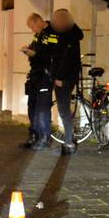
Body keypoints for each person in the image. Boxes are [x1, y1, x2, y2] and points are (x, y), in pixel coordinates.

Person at [48, 9, 84, 155]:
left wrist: (59, 77)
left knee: (63, 110)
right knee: (64, 109)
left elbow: (64, 60)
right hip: (70, 77)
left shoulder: (66, 37)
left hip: (64, 78)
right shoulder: (73, 33)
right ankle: (69, 141)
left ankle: (69, 144)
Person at [19, 13, 58, 149]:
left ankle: (44, 138)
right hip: (36, 74)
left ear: (39, 22)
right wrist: (28, 49)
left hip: (46, 75)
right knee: (32, 105)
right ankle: (34, 136)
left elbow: (52, 54)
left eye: (32, 27)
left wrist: (35, 54)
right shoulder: (39, 34)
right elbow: (36, 47)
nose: (32, 30)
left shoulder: (52, 34)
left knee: (42, 108)